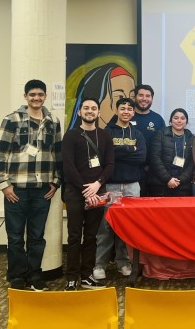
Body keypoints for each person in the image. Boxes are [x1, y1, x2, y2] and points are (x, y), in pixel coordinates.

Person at [0, 79, 62, 291]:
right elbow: (1, 154)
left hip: (43, 189)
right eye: (32, 94)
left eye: (40, 94)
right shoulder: (12, 120)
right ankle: (16, 276)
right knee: (15, 237)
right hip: (16, 189)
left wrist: (56, 182)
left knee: (37, 237)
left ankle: (34, 274)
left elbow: (57, 154)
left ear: (45, 97)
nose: (36, 98)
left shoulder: (53, 121)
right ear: (25, 96)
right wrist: (4, 185)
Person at [62, 97, 114, 291]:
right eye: (86, 108)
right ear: (79, 112)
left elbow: (110, 165)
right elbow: (68, 167)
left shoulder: (105, 136)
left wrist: (97, 184)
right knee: (75, 236)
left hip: (97, 192)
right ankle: (71, 278)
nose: (90, 111)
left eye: (93, 108)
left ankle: (87, 276)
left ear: (99, 113)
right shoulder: (71, 136)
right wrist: (86, 190)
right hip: (76, 193)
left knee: (92, 236)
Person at [93, 98, 146, 281]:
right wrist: (128, 149)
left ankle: (123, 262)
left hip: (132, 186)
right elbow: (107, 156)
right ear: (116, 110)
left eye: (129, 109)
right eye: (122, 108)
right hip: (111, 185)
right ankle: (100, 264)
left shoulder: (138, 133)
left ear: (133, 112)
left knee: (128, 226)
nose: (126, 111)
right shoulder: (107, 132)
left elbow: (141, 157)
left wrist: (119, 151)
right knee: (106, 226)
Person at [68, 63, 136, 130]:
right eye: (120, 96)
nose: (127, 104)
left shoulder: (135, 133)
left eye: (132, 96)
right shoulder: (73, 135)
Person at [148, 108, 195, 196]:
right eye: (176, 118)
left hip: (183, 186)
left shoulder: (191, 138)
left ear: (186, 122)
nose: (179, 121)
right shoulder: (160, 134)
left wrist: (180, 180)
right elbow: (155, 158)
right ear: (170, 121)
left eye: (182, 118)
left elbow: (192, 163)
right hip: (160, 184)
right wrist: (168, 179)